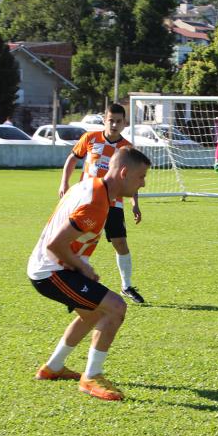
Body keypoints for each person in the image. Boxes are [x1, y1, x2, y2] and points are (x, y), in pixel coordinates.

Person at [28, 146, 151, 401]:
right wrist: (82, 266)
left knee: (93, 313)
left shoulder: (93, 186)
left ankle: (52, 368)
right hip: (51, 270)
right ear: (124, 173)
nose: (144, 183)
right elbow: (56, 244)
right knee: (116, 308)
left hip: (54, 266)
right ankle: (92, 377)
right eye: (140, 177)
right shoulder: (96, 202)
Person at [59, 103, 147, 304]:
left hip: (114, 203)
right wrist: (64, 182)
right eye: (111, 120)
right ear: (104, 120)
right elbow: (72, 159)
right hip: (87, 201)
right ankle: (72, 282)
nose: (114, 125)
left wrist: (135, 203)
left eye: (118, 121)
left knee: (120, 242)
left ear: (124, 123)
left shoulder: (127, 148)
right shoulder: (90, 138)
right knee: (80, 240)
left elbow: (133, 177)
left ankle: (126, 286)